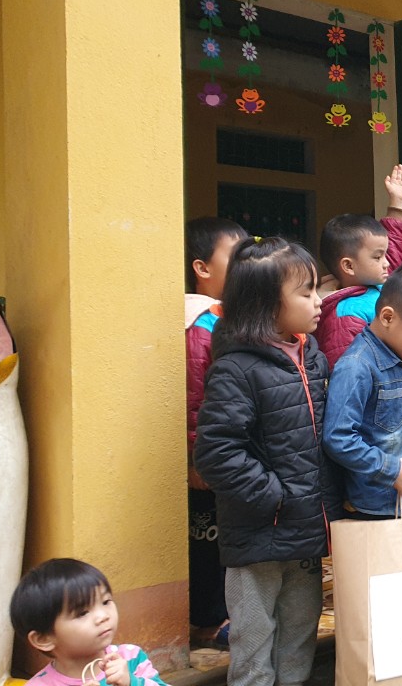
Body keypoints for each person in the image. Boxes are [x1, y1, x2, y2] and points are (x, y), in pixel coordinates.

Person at [193, 238, 339, 686]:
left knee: (298, 638)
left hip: (305, 535)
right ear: (265, 303)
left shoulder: (311, 357)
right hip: (258, 536)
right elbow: (217, 451)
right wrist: (275, 499)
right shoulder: (236, 368)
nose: (319, 302)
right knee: (254, 644)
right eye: (306, 292)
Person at [322, 264, 402, 521]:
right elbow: (338, 437)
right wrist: (390, 470)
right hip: (374, 508)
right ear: (388, 317)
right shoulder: (356, 366)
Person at [183, 216, 247, 648]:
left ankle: (227, 613)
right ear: (202, 268)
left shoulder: (229, 317)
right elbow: (195, 396)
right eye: (235, 257)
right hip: (208, 456)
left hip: (231, 452)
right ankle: (207, 620)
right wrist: (196, 457)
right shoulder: (199, 324)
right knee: (207, 539)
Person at [10, 559, 167, 686]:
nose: (103, 616)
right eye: (82, 613)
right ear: (44, 639)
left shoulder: (130, 658)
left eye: (106, 601)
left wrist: (132, 682)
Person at [314, 164, 402, 367]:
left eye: (385, 255)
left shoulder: (377, 280)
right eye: (377, 257)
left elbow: (392, 244)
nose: (386, 263)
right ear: (349, 266)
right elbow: (348, 373)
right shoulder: (345, 314)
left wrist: (397, 202)